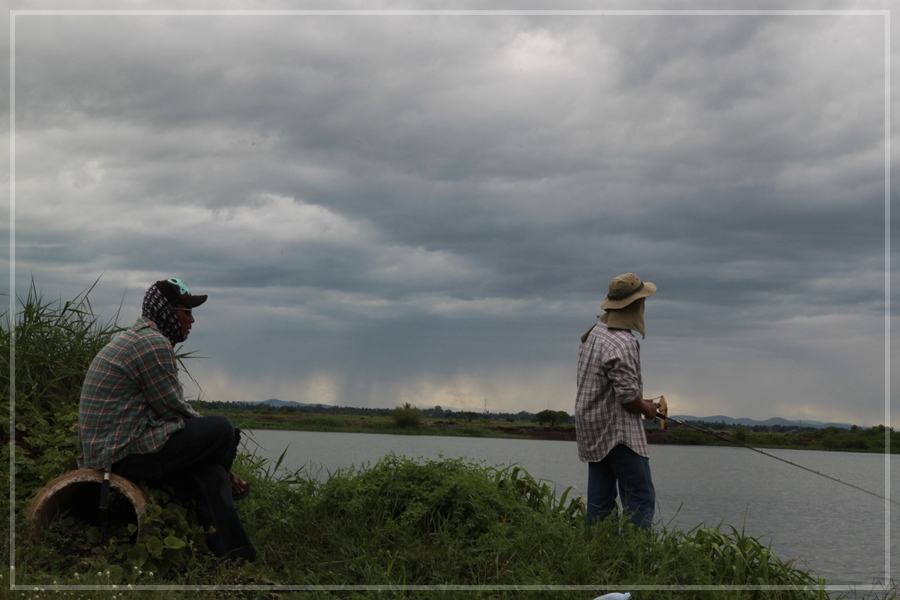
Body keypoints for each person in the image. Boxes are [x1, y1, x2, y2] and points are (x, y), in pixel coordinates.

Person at [78, 278, 257, 562]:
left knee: (211, 474)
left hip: (117, 447)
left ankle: (239, 559)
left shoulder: (138, 338)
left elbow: (164, 412)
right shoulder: (153, 342)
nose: (192, 320)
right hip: (120, 452)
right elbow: (174, 408)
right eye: (187, 311)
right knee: (223, 430)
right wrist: (214, 444)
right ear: (167, 311)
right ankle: (222, 481)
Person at [575, 273, 659, 530]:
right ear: (634, 305)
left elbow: (614, 387)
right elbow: (626, 398)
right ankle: (635, 558)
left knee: (600, 500)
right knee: (640, 496)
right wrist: (648, 409)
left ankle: (599, 550)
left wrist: (639, 400)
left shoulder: (595, 333)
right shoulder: (623, 342)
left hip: (592, 425)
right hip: (616, 431)